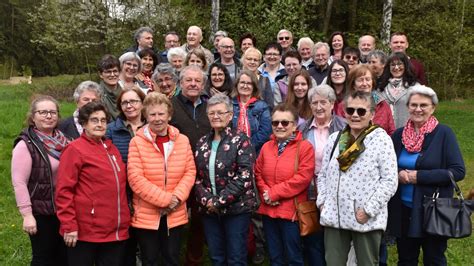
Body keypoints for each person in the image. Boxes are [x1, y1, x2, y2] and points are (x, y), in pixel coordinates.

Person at [317, 91, 398, 265]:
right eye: (350, 110)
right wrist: (323, 202)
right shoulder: (335, 139)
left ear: (372, 114)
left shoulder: (381, 140)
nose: (355, 115)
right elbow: (322, 175)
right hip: (334, 216)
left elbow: (390, 181)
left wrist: (369, 210)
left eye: (361, 111)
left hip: (364, 218)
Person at [388, 85, 465, 265]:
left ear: (433, 108)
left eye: (424, 105)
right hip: (403, 209)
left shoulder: (444, 134)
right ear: (407, 107)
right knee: (406, 259)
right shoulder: (398, 136)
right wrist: (399, 173)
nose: (418, 109)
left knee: (434, 259)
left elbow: (458, 171)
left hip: (433, 210)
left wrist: (419, 177)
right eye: (414, 105)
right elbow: (387, 166)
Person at [55, 102, 130, 266]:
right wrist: (69, 225)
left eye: (103, 120)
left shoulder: (112, 149)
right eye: (94, 120)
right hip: (85, 231)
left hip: (114, 230)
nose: (100, 124)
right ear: (84, 124)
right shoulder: (75, 149)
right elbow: (64, 191)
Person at [127, 92, 196, 266]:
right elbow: (135, 178)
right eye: (152, 114)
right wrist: (165, 200)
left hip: (175, 212)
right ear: (146, 116)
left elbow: (189, 172)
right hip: (147, 214)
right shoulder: (137, 142)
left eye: (161, 114)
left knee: (172, 257)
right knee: (150, 259)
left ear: (169, 115)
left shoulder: (182, 140)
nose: (157, 119)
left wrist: (176, 199)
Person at [194, 94, 258, 265]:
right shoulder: (202, 143)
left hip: (236, 210)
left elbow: (245, 175)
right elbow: (196, 176)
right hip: (209, 211)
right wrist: (208, 200)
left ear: (230, 115)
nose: (216, 116)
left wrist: (219, 201)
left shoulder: (241, 140)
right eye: (212, 113)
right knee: (216, 256)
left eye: (220, 113)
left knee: (236, 257)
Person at [255, 103, 315, 266]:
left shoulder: (305, 148)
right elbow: (258, 172)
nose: (279, 126)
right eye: (275, 123)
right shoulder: (267, 147)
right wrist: (266, 192)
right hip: (269, 211)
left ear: (295, 125)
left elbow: (303, 178)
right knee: (275, 257)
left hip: (291, 213)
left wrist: (274, 193)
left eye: (285, 122)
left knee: (293, 257)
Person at [12, 95, 69, 265]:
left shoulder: (65, 140)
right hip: (42, 212)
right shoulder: (26, 144)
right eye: (43, 112)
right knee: (44, 258)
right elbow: (19, 182)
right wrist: (27, 215)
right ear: (33, 116)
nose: (49, 116)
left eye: (52, 112)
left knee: (64, 257)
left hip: (64, 209)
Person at [299, 85, 347, 266]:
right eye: (314, 103)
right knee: (313, 236)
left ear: (332, 103)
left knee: (336, 238)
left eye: (323, 102)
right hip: (310, 190)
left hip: (336, 191)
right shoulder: (303, 129)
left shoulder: (343, 127)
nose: (318, 107)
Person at [169, 65, 211, 266]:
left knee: (200, 221)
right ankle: (170, 258)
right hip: (177, 173)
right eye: (189, 80)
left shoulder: (211, 106)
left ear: (203, 84)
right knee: (173, 218)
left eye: (198, 81)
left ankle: (194, 260)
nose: (193, 84)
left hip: (205, 173)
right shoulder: (171, 106)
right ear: (180, 83)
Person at [105, 86, 146, 266]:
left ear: (142, 103)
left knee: (148, 243)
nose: (130, 106)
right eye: (125, 102)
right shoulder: (111, 130)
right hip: (123, 192)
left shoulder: (152, 126)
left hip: (149, 190)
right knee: (127, 241)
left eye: (134, 101)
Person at [231, 70, 272, 155]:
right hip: (231, 152)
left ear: (254, 86)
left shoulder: (262, 106)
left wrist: (246, 146)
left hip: (255, 152)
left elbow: (265, 132)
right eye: (242, 82)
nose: (245, 86)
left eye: (249, 83)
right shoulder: (228, 105)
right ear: (237, 85)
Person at [348, 64, 395, 135]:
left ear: (372, 82)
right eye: (360, 80)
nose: (364, 83)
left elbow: (391, 132)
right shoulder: (346, 105)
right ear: (353, 84)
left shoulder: (383, 105)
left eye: (367, 79)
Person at [377, 52, 418, 129]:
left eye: (399, 64)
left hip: (408, 132)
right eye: (393, 65)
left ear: (406, 66)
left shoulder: (415, 87)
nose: (396, 67)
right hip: (385, 134)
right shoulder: (379, 88)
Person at [97, 54, 122, 120]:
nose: (112, 75)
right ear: (101, 74)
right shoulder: (97, 95)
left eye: (115, 71)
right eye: (108, 72)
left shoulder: (125, 93)